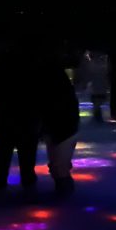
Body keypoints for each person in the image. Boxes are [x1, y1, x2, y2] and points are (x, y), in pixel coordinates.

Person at [0, 44, 40, 195]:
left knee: (1, 156)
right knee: (27, 157)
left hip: (6, 117)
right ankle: (28, 188)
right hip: (28, 116)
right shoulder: (33, 65)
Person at [40, 59, 80, 196]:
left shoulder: (59, 86)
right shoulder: (51, 81)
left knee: (59, 167)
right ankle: (62, 195)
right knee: (56, 167)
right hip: (54, 125)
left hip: (65, 126)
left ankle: (65, 197)